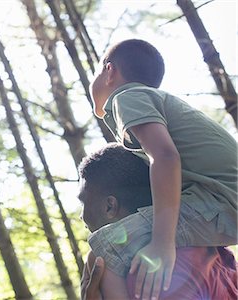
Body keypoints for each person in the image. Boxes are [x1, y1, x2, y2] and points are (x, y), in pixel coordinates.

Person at [88, 39, 237, 299]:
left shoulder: (126, 97)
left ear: (109, 71)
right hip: (220, 201)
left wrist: (162, 242)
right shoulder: (151, 99)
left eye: (98, 71)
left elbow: (166, 158)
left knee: (106, 248)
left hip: (221, 202)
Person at [78, 143, 238, 299]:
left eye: (83, 203)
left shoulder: (146, 277)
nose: (80, 216)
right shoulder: (215, 251)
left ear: (109, 206)